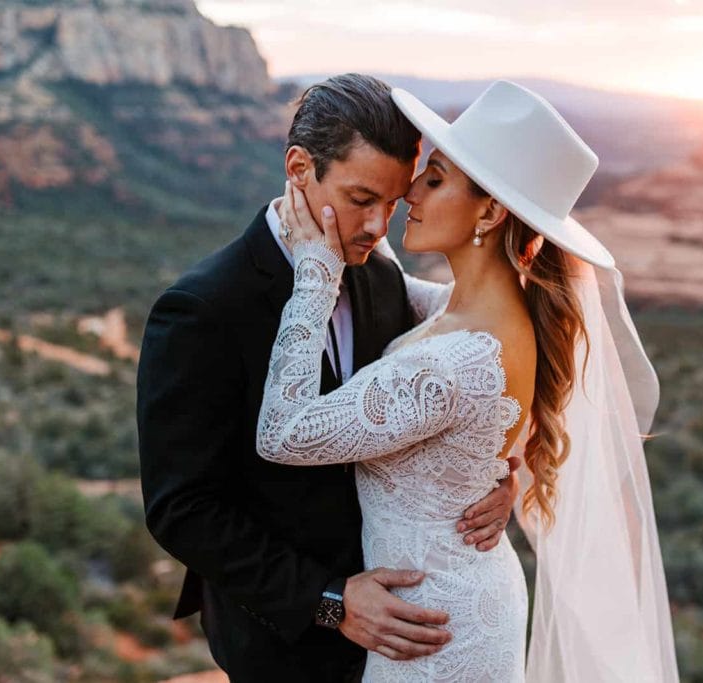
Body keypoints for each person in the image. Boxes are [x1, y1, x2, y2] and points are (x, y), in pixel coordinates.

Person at [259, 80, 679, 681]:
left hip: (436, 635)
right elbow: (397, 294)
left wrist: (314, 275)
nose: (409, 196)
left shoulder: (459, 362)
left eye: (434, 179)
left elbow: (285, 433)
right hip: (450, 603)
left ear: (490, 210)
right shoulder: (482, 315)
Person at [136, 74, 519, 682]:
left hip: (411, 635)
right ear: (299, 168)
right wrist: (330, 599)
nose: (377, 226)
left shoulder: (381, 276)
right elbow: (181, 508)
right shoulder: (203, 308)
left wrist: (495, 478)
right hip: (286, 643)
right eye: (362, 198)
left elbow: (469, 392)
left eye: (393, 204)